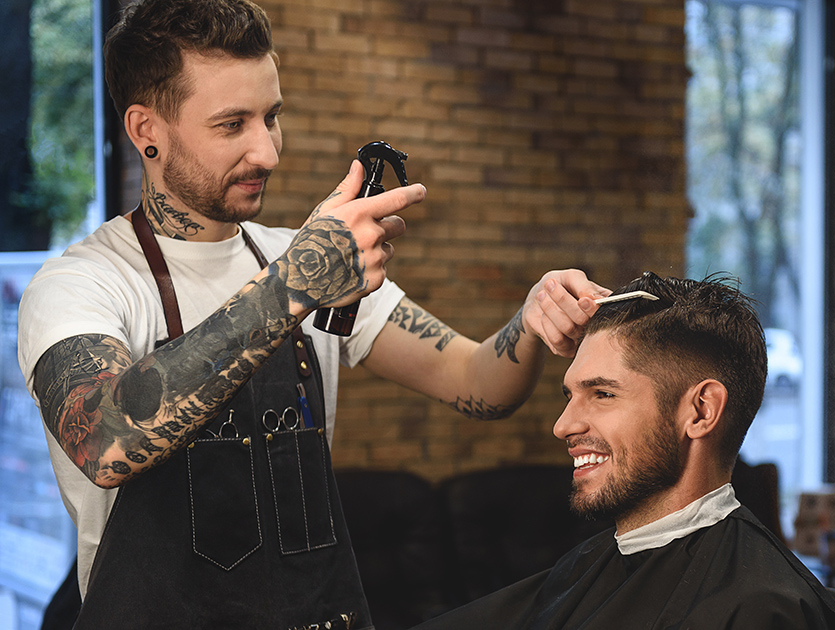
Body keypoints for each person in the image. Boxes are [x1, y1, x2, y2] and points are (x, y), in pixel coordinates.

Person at [15, 0, 607, 628]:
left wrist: (532, 316)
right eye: (231, 124)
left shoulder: (302, 259)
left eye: (272, 117)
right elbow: (106, 438)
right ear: (146, 130)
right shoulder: (81, 284)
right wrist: (296, 283)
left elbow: (479, 385)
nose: (267, 151)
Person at [412, 272, 835, 630]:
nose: (562, 425)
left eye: (602, 393)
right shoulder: (592, 566)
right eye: (568, 395)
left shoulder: (756, 609)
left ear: (701, 411)